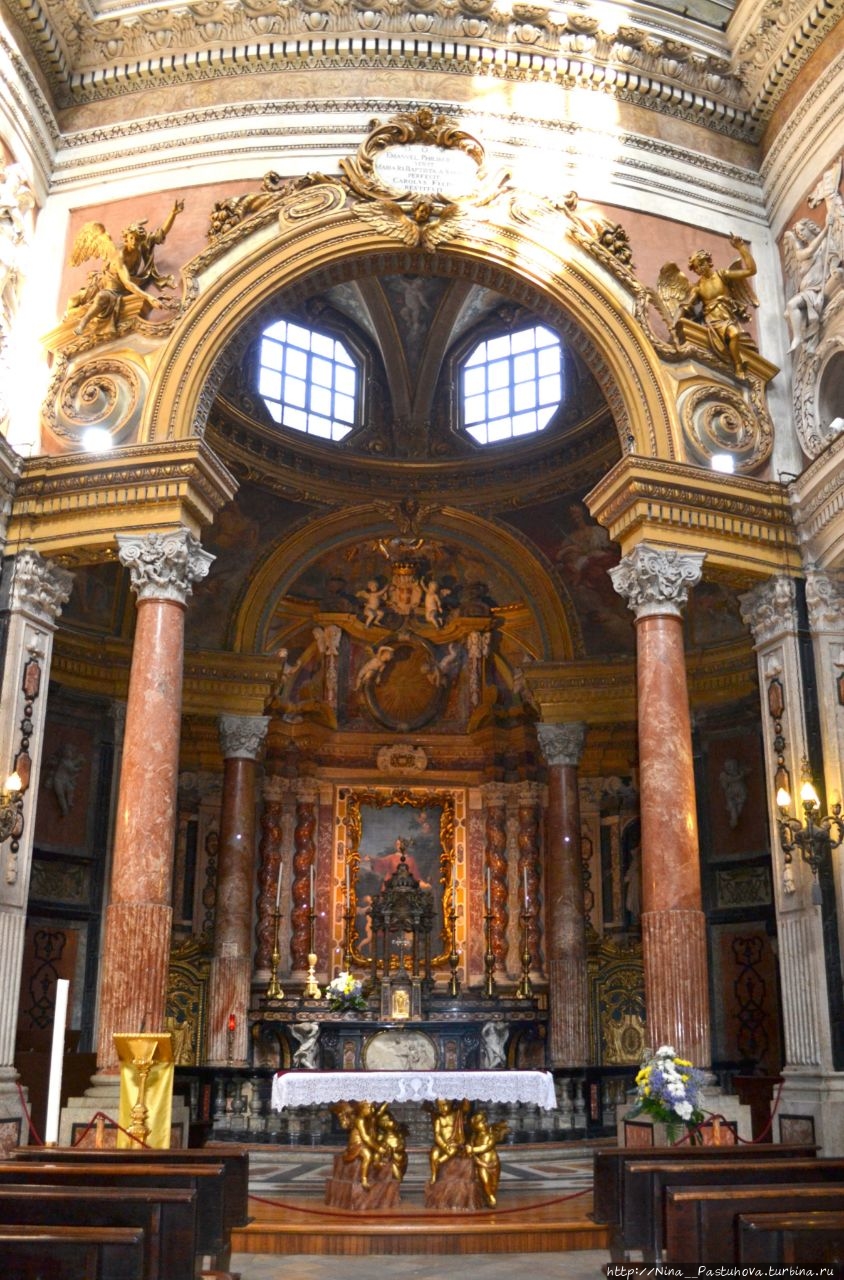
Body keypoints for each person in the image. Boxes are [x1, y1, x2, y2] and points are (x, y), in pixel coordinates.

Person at [683, 235, 758, 377]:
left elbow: (751, 271)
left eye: (701, 264)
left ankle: (738, 365)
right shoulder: (697, 287)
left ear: (708, 262)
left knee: (735, 334)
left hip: (727, 316)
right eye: (696, 268)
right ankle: (738, 366)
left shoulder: (722, 275)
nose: (699, 269)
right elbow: (687, 305)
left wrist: (741, 248)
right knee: (733, 334)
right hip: (712, 322)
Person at [465, 1111, 505, 1207]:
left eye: (485, 1121)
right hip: (481, 1163)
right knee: (484, 1181)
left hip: (493, 1163)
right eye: (481, 1122)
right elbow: (469, 1147)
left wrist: (472, 1149)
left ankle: (489, 1196)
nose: (484, 1124)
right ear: (475, 1126)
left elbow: (487, 1146)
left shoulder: (490, 1135)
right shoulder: (474, 1137)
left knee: (494, 1183)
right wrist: (468, 1149)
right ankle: (490, 1197)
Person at [427, 1097, 469, 1184]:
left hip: (455, 1143)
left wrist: (465, 1095)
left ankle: (439, 1161)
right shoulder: (439, 1119)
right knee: (434, 1153)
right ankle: (434, 1175)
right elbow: (437, 1135)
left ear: (450, 1104)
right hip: (442, 1145)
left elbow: (466, 1108)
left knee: (453, 1150)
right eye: (439, 1106)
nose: (441, 1108)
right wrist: (444, 1146)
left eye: (444, 1105)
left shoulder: (457, 1115)